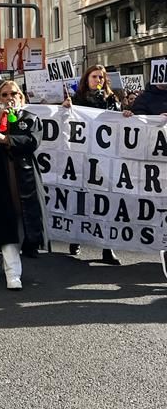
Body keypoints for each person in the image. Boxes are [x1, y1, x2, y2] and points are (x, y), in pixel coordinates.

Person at [63, 65, 130, 265]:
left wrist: (125, 114)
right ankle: (75, 237)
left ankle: (107, 249)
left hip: (105, 158)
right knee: (80, 198)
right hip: (81, 157)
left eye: (101, 77)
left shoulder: (111, 100)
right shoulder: (76, 100)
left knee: (104, 201)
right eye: (94, 76)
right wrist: (64, 107)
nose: (98, 80)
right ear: (87, 79)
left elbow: (117, 124)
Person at [0, 80, 46, 289]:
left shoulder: (31, 118)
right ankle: (13, 273)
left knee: (21, 219)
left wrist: (6, 139)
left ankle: (11, 262)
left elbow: (32, 142)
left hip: (24, 177)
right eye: (5, 94)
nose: (10, 98)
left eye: (14, 94)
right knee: (6, 220)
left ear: (21, 98)